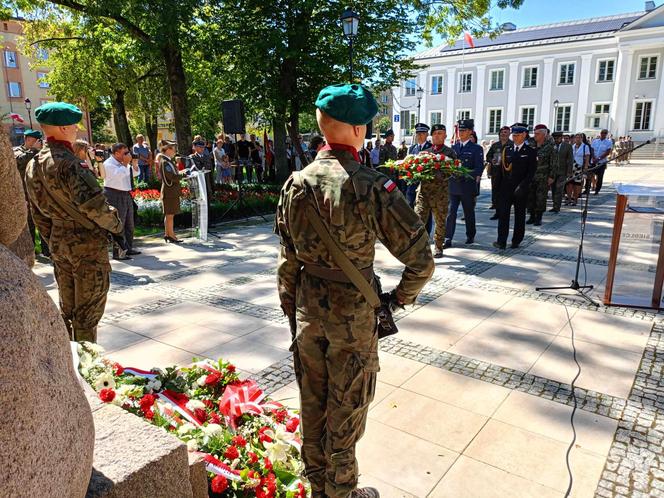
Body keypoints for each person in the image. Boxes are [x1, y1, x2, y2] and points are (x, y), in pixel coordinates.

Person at [275, 83, 434, 498]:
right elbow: (421, 261)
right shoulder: (370, 186)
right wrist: (398, 299)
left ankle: (317, 489)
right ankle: (341, 494)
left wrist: (294, 312)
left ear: (321, 125)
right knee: (345, 412)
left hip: (308, 315)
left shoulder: (294, 185)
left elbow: (287, 263)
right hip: (353, 318)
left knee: (313, 406)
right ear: (360, 130)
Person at [25, 102, 124, 342]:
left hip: (60, 243)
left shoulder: (33, 164)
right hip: (86, 245)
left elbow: (37, 213)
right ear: (62, 128)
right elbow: (95, 206)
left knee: (67, 311)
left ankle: (69, 366)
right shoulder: (71, 164)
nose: (76, 130)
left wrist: (53, 239)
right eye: (73, 126)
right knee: (87, 314)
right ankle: (88, 370)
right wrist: (117, 227)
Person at [414, 123, 456, 258]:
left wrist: (440, 174)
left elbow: (453, 171)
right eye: (435, 134)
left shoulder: (450, 153)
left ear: (445, 136)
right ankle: (420, 247)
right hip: (424, 193)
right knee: (418, 219)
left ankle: (438, 246)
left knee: (440, 221)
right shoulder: (425, 153)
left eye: (440, 133)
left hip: (440, 194)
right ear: (431, 136)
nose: (437, 136)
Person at [492, 124, 537, 250]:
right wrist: (497, 188)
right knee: (503, 214)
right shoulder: (507, 149)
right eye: (514, 135)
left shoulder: (530, 152)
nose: (515, 137)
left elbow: (531, 172)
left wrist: (523, 186)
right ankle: (501, 241)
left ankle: (516, 240)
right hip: (506, 188)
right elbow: (500, 169)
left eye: (517, 135)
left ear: (524, 135)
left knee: (519, 215)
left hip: (521, 189)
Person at [444, 119, 484, 247]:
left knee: (468, 213)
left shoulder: (476, 148)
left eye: (464, 130)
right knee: (451, 212)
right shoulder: (454, 147)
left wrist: (466, 174)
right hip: (454, 186)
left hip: (467, 186)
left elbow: (478, 168)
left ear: (470, 132)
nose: (461, 133)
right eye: (459, 130)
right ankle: (448, 237)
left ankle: (470, 235)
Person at [14, 128, 48, 257]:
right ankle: (32, 252)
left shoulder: (42, 152)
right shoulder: (16, 152)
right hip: (25, 194)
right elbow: (20, 162)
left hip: (41, 193)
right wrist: (34, 150)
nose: (40, 143)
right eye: (37, 141)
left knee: (44, 222)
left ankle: (48, 251)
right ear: (28, 139)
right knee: (29, 224)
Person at [103, 143, 140, 260]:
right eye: (125, 153)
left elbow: (135, 173)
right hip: (114, 194)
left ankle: (128, 248)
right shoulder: (108, 164)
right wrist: (125, 163)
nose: (127, 155)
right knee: (119, 224)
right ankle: (118, 252)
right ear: (116, 153)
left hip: (126, 194)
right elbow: (119, 175)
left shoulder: (123, 163)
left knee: (130, 224)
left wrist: (133, 163)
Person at [157, 140, 185, 243]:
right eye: (173, 148)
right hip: (170, 192)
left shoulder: (168, 161)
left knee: (169, 214)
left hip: (170, 191)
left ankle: (168, 234)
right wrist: (183, 175)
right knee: (170, 215)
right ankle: (171, 235)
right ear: (167, 149)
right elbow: (171, 177)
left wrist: (181, 172)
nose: (175, 150)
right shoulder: (165, 162)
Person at [526, 124, 555, 226]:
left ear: (544, 134)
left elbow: (554, 162)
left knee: (541, 197)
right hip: (530, 175)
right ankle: (531, 216)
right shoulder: (530, 143)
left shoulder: (550, 146)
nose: (535, 135)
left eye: (537, 133)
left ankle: (539, 217)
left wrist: (552, 176)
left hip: (543, 175)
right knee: (530, 196)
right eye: (534, 133)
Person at [485, 126, 512, 219]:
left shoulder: (512, 144)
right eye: (502, 132)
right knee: (496, 192)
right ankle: (497, 212)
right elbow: (488, 156)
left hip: (508, 173)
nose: (503, 134)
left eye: (505, 132)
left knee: (506, 193)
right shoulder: (495, 145)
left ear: (509, 134)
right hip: (496, 172)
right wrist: (491, 160)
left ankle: (505, 212)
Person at [550, 131, 574, 213]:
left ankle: (557, 207)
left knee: (559, 189)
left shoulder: (567, 146)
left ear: (561, 138)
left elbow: (570, 159)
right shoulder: (551, 146)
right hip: (552, 172)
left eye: (558, 138)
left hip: (562, 172)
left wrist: (569, 171)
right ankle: (554, 205)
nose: (556, 139)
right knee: (553, 189)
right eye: (555, 138)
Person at [189, 139, 215, 204]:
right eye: (200, 147)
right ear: (195, 148)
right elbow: (191, 172)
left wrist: (212, 184)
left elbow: (211, 172)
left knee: (208, 203)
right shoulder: (192, 158)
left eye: (203, 147)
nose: (202, 149)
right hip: (198, 184)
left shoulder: (207, 157)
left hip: (207, 184)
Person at [568, 133, 590, 206]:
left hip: (579, 167)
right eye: (576, 137)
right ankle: (569, 199)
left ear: (581, 138)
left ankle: (575, 199)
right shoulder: (572, 146)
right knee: (569, 183)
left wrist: (586, 167)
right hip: (571, 167)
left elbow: (587, 157)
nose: (577, 139)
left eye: (579, 138)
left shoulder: (585, 147)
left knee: (577, 184)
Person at [590, 129, 613, 195]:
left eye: (605, 133)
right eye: (602, 133)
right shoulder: (595, 141)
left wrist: (599, 158)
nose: (603, 134)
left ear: (606, 134)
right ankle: (590, 187)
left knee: (600, 177)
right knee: (590, 175)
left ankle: (597, 189)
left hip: (602, 162)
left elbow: (607, 152)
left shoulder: (608, 142)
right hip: (593, 161)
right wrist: (593, 157)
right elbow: (592, 149)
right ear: (600, 133)